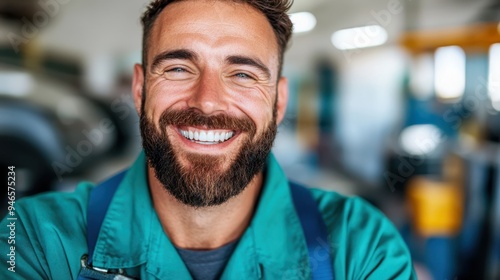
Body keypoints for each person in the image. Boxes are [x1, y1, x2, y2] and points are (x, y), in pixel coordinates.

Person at [0, 0, 416, 279]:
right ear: (141, 89)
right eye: (179, 68)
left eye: (242, 74)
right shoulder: (35, 238)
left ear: (279, 100)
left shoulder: (361, 248)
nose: (208, 102)